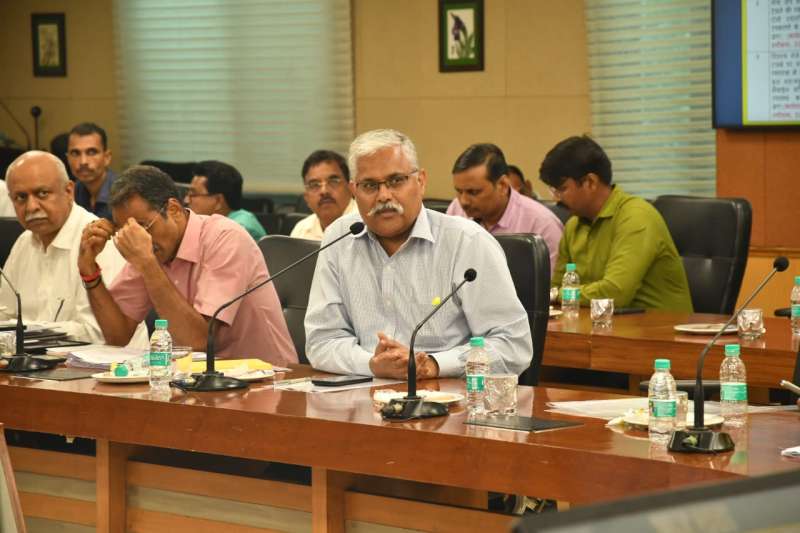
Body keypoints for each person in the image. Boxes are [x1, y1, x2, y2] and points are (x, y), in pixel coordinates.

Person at [305, 130, 532, 379]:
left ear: (421, 181)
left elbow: (512, 345)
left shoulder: (467, 242)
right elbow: (321, 341)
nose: (384, 196)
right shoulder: (339, 238)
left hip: (448, 395)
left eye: (396, 181)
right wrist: (372, 364)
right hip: (362, 392)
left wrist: (433, 365)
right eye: (370, 185)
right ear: (353, 190)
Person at [78, 165, 298, 366]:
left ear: (173, 209)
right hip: (192, 380)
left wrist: (148, 264)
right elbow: (118, 336)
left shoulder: (225, 238)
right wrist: (90, 272)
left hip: (267, 379)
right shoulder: (148, 249)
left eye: (143, 226)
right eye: (126, 231)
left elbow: (198, 342)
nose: (137, 238)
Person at [0, 151, 147, 346]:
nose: (31, 207)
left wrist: (30, 331)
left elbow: (101, 333)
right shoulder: (24, 243)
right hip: (38, 361)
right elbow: (4, 316)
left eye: (42, 193)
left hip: (112, 362)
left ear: (69, 191)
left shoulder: (98, 241)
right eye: (20, 197)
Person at [540, 135, 692, 311]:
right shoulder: (573, 226)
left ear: (590, 182)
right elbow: (556, 288)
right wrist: (558, 294)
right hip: (600, 323)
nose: (556, 198)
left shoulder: (636, 217)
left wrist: (560, 295)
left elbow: (615, 292)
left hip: (659, 326)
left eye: (562, 189)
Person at [446, 143, 563, 272]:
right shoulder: (456, 210)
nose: (464, 201)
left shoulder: (542, 224)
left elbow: (552, 283)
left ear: (502, 185)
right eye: (459, 191)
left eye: (473, 192)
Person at [184, 160, 266, 241]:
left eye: (193, 194)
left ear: (218, 201)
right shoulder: (213, 224)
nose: (186, 200)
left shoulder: (235, 230)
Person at [291, 150, 357, 240]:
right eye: (314, 185)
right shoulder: (301, 230)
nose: (324, 191)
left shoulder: (367, 224)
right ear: (306, 198)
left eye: (333, 181)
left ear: (350, 188)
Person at [66, 122, 116, 221]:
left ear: (107, 157)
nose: (83, 162)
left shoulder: (124, 196)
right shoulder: (71, 193)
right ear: (68, 158)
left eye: (91, 152)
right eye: (75, 153)